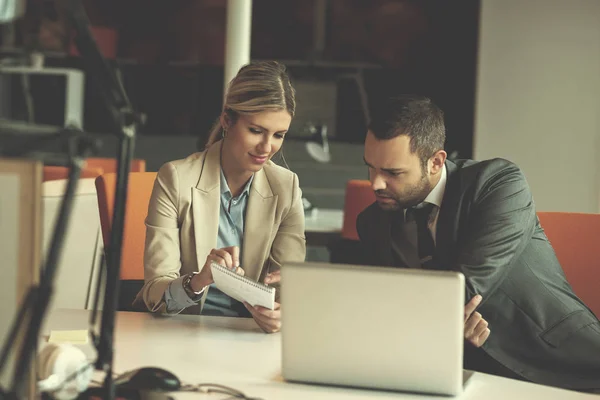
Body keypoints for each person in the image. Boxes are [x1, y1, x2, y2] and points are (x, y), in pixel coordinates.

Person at [356, 95, 600, 391]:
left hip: (563, 363)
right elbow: (380, 305)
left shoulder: (497, 183)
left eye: (392, 173)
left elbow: (465, 287)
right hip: (459, 370)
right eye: (371, 167)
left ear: (435, 162)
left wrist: (431, 321)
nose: (376, 183)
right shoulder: (373, 222)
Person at [134, 61, 306, 333]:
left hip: (251, 335)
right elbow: (155, 293)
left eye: (278, 135)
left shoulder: (286, 187)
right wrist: (198, 281)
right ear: (227, 120)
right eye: (256, 130)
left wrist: (281, 312)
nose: (267, 147)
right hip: (183, 331)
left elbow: (290, 286)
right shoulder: (176, 179)